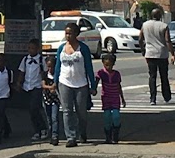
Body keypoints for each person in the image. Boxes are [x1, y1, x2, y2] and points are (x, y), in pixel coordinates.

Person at [55, 20, 97, 148]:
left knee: (81, 112)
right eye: (66, 33)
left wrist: (93, 85)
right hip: (64, 82)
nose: (68, 36)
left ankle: (82, 133)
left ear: (76, 34)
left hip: (81, 84)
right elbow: (58, 66)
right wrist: (55, 82)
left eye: (70, 33)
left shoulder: (83, 48)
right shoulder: (61, 48)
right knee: (67, 111)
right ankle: (70, 137)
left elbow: (89, 67)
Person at [142, 6, 173, 104]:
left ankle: (152, 98)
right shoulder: (164, 26)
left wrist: (143, 49)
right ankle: (166, 96)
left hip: (150, 54)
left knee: (152, 76)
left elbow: (140, 38)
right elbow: (167, 40)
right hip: (162, 54)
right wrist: (172, 53)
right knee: (164, 76)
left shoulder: (145, 25)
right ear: (160, 16)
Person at [17, 38, 46, 141]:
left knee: (35, 108)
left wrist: (44, 84)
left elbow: (44, 73)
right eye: (29, 48)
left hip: (36, 87)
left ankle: (42, 128)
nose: (30, 50)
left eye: (33, 48)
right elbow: (22, 72)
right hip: (27, 87)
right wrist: (19, 83)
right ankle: (37, 130)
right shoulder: (25, 60)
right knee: (31, 110)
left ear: (37, 49)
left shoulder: (41, 60)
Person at [97, 52, 126, 144]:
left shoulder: (117, 74)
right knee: (107, 117)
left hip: (115, 98)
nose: (108, 67)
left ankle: (115, 134)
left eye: (110, 65)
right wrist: (93, 89)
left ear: (113, 64)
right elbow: (96, 80)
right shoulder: (101, 73)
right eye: (106, 65)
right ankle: (108, 137)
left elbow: (119, 86)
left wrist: (122, 98)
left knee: (116, 116)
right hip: (106, 98)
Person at [41, 52, 62, 144]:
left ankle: (55, 135)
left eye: (52, 66)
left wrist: (55, 86)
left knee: (54, 117)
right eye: (48, 67)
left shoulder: (58, 75)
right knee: (48, 117)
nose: (50, 69)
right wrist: (50, 87)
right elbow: (43, 85)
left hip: (55, 99)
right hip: (46, 99)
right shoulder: (44, 74)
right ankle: (50, 132)